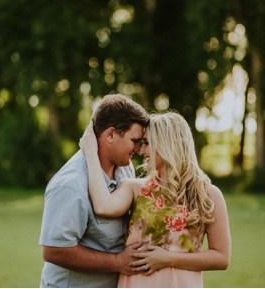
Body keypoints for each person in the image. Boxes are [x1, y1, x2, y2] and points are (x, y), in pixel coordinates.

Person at [80, 111, 231, 287]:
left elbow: (221, 258)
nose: (141, 151)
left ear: (167, 144)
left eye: (146, 143)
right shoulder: (134, 189)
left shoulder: (209, 195)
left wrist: (167, 259)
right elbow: (103, 206)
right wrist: (91, 152)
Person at [39, 94, 150, 287]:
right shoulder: (71, 184)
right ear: (111, 135)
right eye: (134, 141)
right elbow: (53, 250)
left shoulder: (125, 168)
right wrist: (117, 262)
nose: (139, 150)